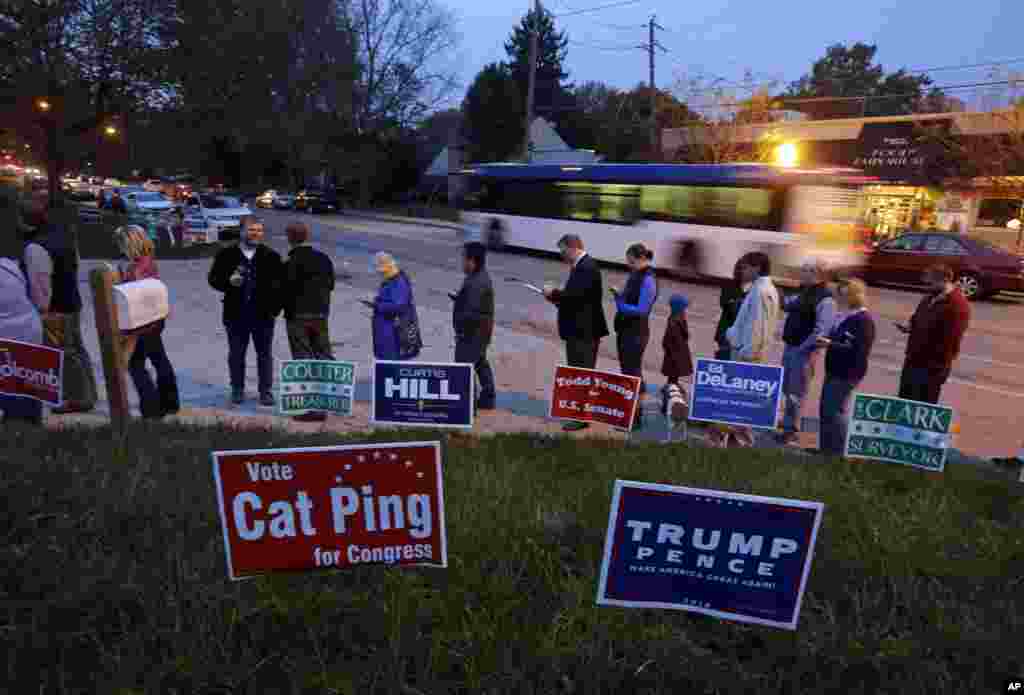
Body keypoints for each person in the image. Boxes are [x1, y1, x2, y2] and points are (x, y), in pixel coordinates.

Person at [22, 201, 98, 414]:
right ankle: (88, 394)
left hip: (55, 308)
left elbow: (41, 285)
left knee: (65, 353)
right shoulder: (66, 240)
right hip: (72, 302)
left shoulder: (36, 247)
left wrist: (41, 310)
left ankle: (76, 398)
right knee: (77, 350)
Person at [208, 216, 283, 406]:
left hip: (263, 316)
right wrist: (228, 282)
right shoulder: (226, 255)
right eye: (251, 230)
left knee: (264, 354)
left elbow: (281, 286)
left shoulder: (271, 256)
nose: (256, 234)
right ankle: (237, 389)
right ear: (241, 231)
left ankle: (265, 391)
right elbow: (213, 280)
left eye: (259, 230)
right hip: (235, 314)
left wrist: (274, 309)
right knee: (236, 354)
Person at [112, 226, 180, 419]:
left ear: (129, 244)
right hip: (156, 318)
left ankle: (151, 408)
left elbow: (132, 296)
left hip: (141, 322)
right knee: (160, 360)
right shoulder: (149, 260)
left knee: (136, 365)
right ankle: (170, 402)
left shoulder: (135, 268)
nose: (120, 248)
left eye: (121, 244)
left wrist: (119, 283)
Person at [543, 234, 609, 432]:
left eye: (562, 250)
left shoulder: (586, 267)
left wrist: (553, 293)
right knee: (580, 372)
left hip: (583, 333)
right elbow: (577, 299)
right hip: (581, 331)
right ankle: (580, 413)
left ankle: (581, 418)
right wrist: (556, 298)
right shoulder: (584, 266)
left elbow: (575, 298)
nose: (562, 255)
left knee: (581, 374)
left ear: (572, 247)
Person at [717, 251, 781, 448]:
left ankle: (741, 441)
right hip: (747, 351)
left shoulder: (761, 291)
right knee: (741, 400)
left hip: (747, 355)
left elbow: (757, 327)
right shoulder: (764, 289)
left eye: (746, 267)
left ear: (757, 268)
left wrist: (746, 353)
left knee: (741, 400)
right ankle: (738, 438)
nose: (742, 270)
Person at [777, 258, 836, 445]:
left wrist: (802, 350)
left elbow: (822, 330)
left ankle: (791, 431)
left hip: (803, 352)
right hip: (791, 347)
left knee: (797, 392)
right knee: (788, 389)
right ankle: (787, 424)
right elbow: (787, 304)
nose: (802, 273)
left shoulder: (825, 298)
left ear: (817, 274)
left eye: (806, 271)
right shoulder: (805, 292)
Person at [281, 222, 335, 422]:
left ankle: (311, 408)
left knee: (303, 362)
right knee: (323, 358)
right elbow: (330, 285)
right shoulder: (323, 259)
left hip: (298, 317)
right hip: (320, 316)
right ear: (307, 236)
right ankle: (331, 401)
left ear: (290, 238)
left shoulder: (289, 264)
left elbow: (283, 292)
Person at [816, 279, 876, 456]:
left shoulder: (863, 320)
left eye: (842, 295)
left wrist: (830, 343)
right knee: (826, 410)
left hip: (847, 373)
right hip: (835, 369)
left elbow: (857, 349)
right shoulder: (847, 315)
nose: (839, 298)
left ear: (853, 296)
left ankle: (836, 453)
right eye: (838, 294)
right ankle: (826, 449)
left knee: (835, 412)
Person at [895, 264, 970, 404]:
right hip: (913, 360)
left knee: (922, 405)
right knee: (904, 402)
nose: (926, 286)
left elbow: (951, 341)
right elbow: (918, 318)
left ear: (944, 280)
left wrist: (935, 368)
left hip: (932, 367)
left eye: (930, 283)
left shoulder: (957, 305)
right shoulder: (930, 297)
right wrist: (909, 327)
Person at [0, 193, 44, 425]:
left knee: (11, 389)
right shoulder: (10, 264)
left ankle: (17, 430)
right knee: (28, 386)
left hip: (9, 338)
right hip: (29, 331)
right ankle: (30, 427)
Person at [610, 243, 658, 430]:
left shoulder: (648, 278)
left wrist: (619, 301)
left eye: (629, 259)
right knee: (629, 372)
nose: (627, 263)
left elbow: (642, 309)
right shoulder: (636, 274)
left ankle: (634, 417)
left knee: (632, 373)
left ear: (638, 258)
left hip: (636, 332)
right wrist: (620, 294)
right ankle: (631, 413)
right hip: (627, 330)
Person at [451, 242, 496, 411]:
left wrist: (461, 332)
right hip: (481, 333)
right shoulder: (478, 277)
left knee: (464, 367)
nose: (462, 263)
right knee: (480, 363)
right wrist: (460, 299)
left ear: (472, 261)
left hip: (472, 334)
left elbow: (471, 313)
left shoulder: (477, 282)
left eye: (464, 259)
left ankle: (467, 406)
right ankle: (488, 398)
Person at [366, 252, 420, 361]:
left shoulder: (398, 282)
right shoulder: (391, 281)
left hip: (393, 332)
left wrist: (378, 305)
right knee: (386, 359)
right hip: (387, 330)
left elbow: (398, 306)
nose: (379, 274)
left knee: (391, 361)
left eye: (380, 270)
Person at [714, 261, 747, 360]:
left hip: (742, 335)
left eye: (743, 269)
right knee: (724, 359)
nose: (740, 272)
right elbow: (724, 303)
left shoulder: (754, 288)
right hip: (726, 330)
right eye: (738, 269)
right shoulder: (729, 285)